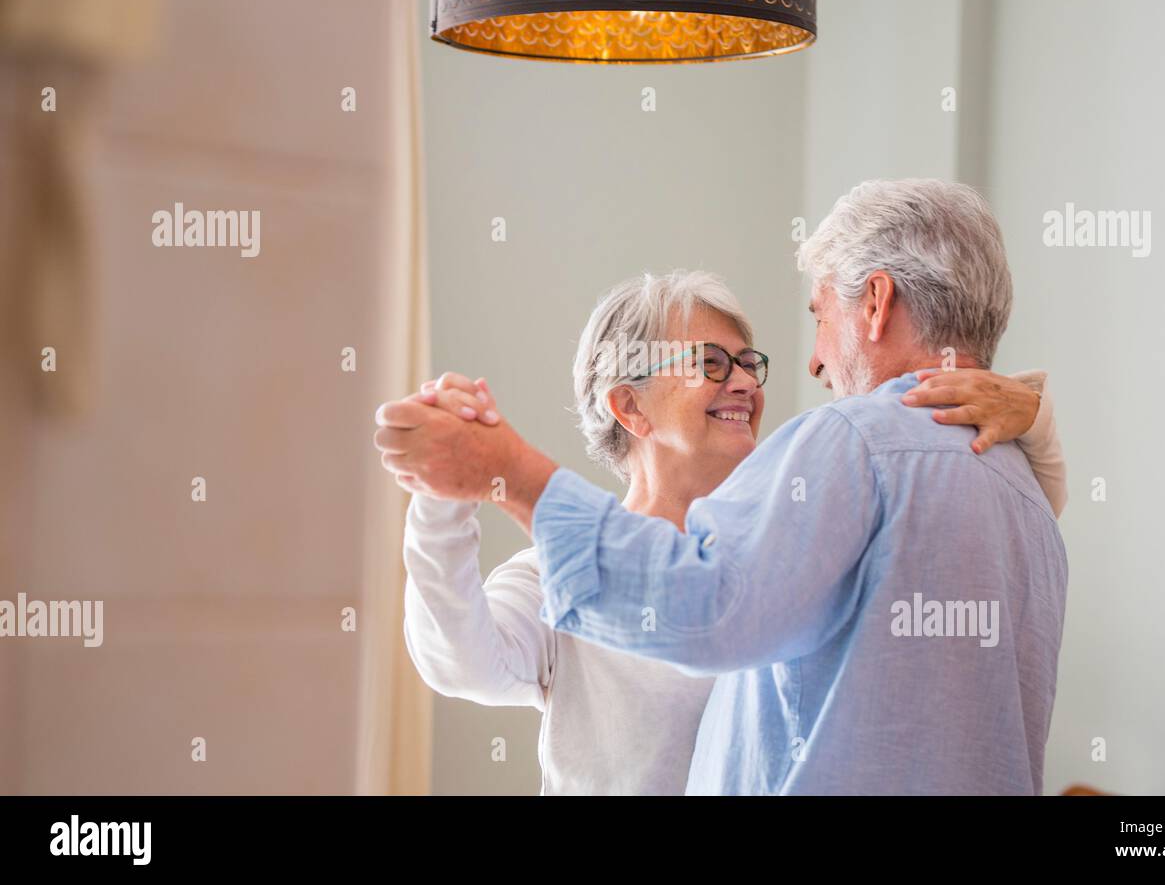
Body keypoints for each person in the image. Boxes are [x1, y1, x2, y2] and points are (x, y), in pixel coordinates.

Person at [376, 243, 1067, 791]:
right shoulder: (555, 572)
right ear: (631, 406)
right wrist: (443, 492)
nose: (744, 381)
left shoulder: (797, 539)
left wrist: (1032, 416)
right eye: (710, 362)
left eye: (747, 362)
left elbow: (954, 513)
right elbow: (458, 660)